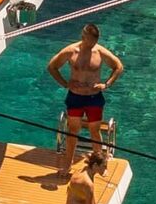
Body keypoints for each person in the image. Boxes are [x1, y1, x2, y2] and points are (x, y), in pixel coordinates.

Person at [47, 22, 122, 176]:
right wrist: (64, 83)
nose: (93, 44)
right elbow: (52, 67)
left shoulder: (100, 52)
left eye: (95, 41)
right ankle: (67, 166)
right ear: (84, 37)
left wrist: (106, 84)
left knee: (95, 131)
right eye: (90, 41)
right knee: (73, 130)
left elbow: (118, 66)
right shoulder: (71, 51)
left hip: (94, 98)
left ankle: (101, 164)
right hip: (76, 97)